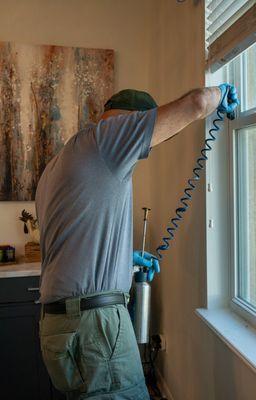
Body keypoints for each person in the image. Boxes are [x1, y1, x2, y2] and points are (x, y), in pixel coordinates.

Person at [35, 84, 239, 399]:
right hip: (95, 328)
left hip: (60, 327)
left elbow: (72, 243)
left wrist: (124, 259)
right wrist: (220, 93)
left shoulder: (61, 163)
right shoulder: (109, 140)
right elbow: (197, 103)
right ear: (135, 121)